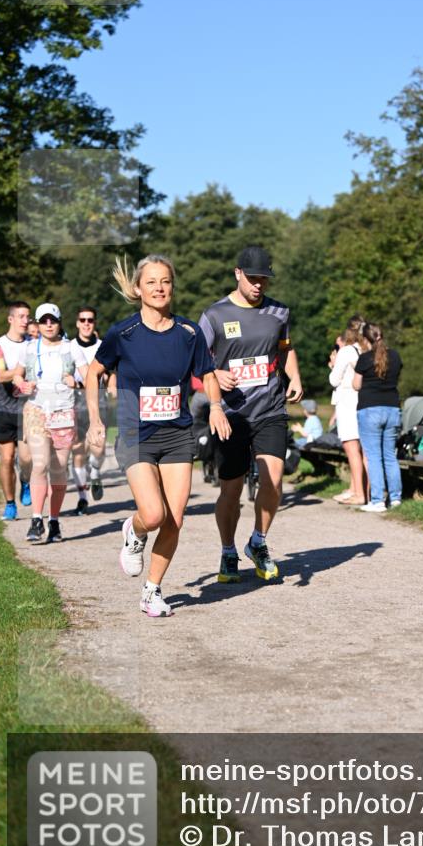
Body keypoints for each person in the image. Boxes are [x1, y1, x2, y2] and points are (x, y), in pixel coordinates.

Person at [85, 254, 230, 618]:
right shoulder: (124, 332)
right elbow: (93, 373)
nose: (160, 288)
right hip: (136, 434)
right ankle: (133, 532)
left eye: (165, 281)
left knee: (175, 518)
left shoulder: (188, 333)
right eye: (151, 282)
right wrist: (94, 420)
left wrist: (214, 407)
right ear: (138, 288)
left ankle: (152, 590)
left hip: (178, 434)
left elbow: (207, 373)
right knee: (152, 514)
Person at [198, 245, 303, 584]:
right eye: (254, 278)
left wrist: (295, 376)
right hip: (231, 414)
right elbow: (195, 365)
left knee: (273, 479)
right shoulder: (214, 315)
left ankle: (258, 542)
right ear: (237, 273)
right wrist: (214, 376)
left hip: (270, 407)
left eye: (265, 280)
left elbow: (285, 350)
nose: (259, 285)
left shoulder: (279, 312)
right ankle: (228, 550)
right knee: (231, 489)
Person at [12, 303, 76, 542]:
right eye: (44, 320)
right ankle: (36, 520)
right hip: (37, 410)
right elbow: (17, 374)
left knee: (59, 471)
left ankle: (55, 521)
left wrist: (75, 380)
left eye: (53, 320)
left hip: (64, 413)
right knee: (40, 465)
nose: (49, 324)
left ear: (59, 323)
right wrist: (22, 383)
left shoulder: (72, 348)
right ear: (37, 324)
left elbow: (89, 372)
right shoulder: (29, 349)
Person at [0, 301, 33, 520]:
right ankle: (9, 503)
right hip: (2, 408)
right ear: (11, 319)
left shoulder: (34, 344)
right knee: (7, 459)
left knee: (26, 458)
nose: (26, 321)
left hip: (27, 409)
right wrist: (22, 369)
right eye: (22, 316)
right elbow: (1, 375)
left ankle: (25, 481)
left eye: (28, 317)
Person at [353, 322, 403, 512]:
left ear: (366, 340)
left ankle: (377, 501)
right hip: (392, 409)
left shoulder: (364, 359)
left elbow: (356, 385)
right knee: (390, 455)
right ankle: (396, 498)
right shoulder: (396, 356)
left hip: (370, 410)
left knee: (374, 457)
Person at [70, 306, 106, 513]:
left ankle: (96, 471)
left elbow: (111, 372)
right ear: (77, 323)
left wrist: (111, 385)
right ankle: (82, 497)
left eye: (90, 320)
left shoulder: (102, 346)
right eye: (82, 320)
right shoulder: (68, 346)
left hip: (97, 402)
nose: (86, 323)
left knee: (98, 448)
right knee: (78, 450)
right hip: (73, 402)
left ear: (94, 323)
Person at [328, 323, 368, 505]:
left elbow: (334, 379)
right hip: (366, 401)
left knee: (351, 448)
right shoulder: (367, 349)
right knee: (365, 450)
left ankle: (358, 494)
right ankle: (364, 491)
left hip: (347, 402)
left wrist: (334, 364)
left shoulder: (345, 352)